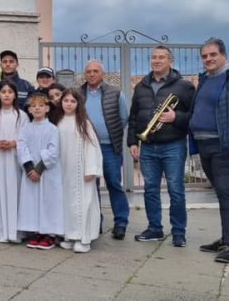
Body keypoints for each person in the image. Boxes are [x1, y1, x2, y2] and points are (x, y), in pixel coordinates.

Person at [128, 45, 195, 247]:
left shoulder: (184, 87)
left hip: (173, 145)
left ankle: (178, 232)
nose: (157, 61)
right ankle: (154, 228)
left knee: (176, 190)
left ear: (170, 61)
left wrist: (176, 117)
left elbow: (194, 116)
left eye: (161, 57)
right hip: (148, 146)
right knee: (150, 190)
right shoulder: (141, 86)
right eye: (154, 57)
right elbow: (133, 118)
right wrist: (132, 141)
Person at [80, 60, 129, 240]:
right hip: (87, 148)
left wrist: (109, 133)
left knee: (114, 184)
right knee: (91, 186)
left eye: (95, 71)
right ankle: (95, 222)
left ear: (102, 74)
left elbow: (123, 118)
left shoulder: (116, 93)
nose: (91, 74)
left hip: (109, 147)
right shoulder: (79, 93)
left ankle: (121, 223)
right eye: (88, 71)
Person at [190, 38, 229, 263]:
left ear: (223, 55)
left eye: (212, 55)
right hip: (204, 144)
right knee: (221, 194)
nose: (208, 59)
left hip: (222, 146)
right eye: (204, 56)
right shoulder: (205, 80)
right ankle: (225, 238)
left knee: (226, 194)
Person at [57, 89, 103, 253]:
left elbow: (92, 148)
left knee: (83, 202)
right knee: (67, 204)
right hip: (64, 170)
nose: (68, 104)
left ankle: (84, 239)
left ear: (78, 104)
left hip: (81, 171)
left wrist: (91, 169)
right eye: (66, 101)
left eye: (72, 101)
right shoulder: (59, 121)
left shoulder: (84, 123)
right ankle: (70, 235)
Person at [0, 79, 28, 243]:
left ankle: (16, 232)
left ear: (15, 95)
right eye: (3, 92)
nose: (7, 95)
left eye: (10, 92)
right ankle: (1, 231)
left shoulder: (21, 116)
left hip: (14, 162)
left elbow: (27, 138)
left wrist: (15, 143)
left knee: (15, 194)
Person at [17, 93, 63, 250]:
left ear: (47, 108)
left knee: (48, 202)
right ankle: (36, 231)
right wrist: (29, 168)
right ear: (29, 110)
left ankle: (49, 234)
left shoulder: (52, 129)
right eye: (34, 106)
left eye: (41, 105)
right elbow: (21, 147)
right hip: (30, 173)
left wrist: (39, 169)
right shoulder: (25, 128)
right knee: (32, 202)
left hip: (46, 172)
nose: (37, 108)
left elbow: (54, 151)